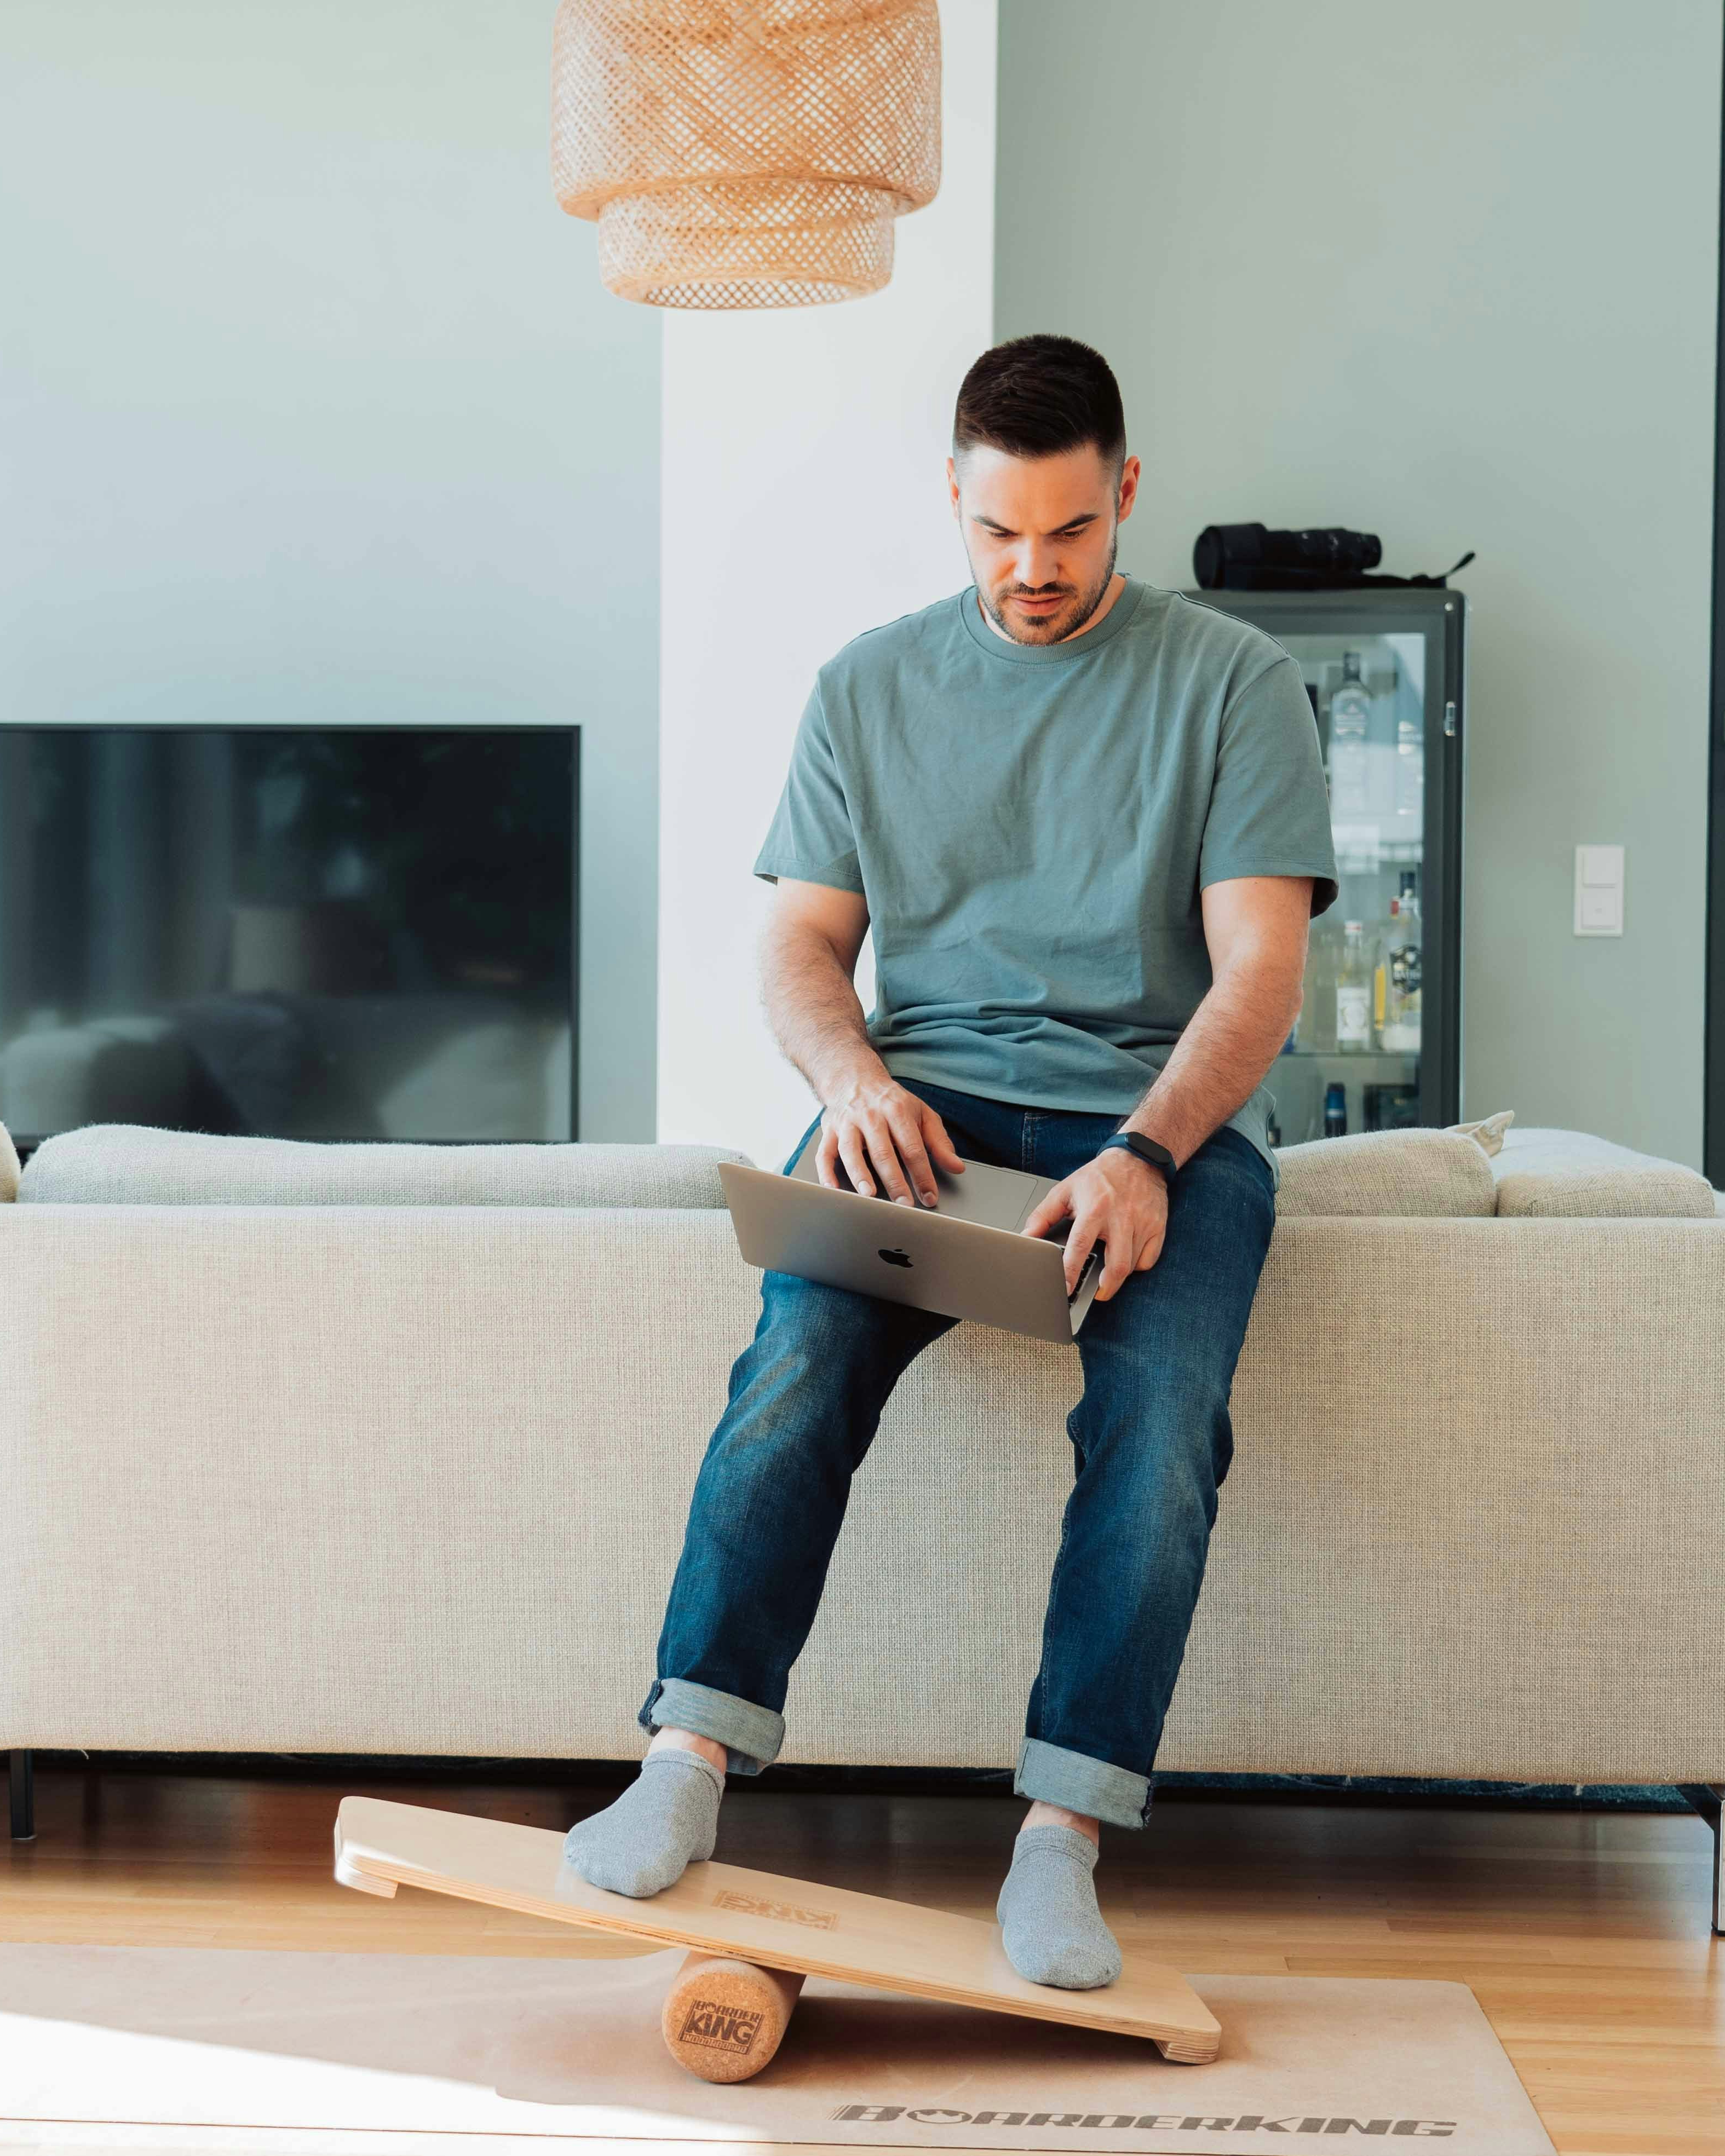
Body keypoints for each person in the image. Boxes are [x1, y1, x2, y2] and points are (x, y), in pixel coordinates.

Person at [562, 335, 1338, 1990]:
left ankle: (1059, 1840)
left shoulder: (1230, 682)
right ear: (954, 498)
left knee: (1158, 1425)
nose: (1032, 571)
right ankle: (685, 1762)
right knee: (793, 1363)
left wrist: (1145, 1152)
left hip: (1159, 1124)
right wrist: (844, 1075)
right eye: (998, 533)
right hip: (923, 1113)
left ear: (1123, 493)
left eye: (1067, 531)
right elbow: (798, 947)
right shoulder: (866, 683)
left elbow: (1258, 971)